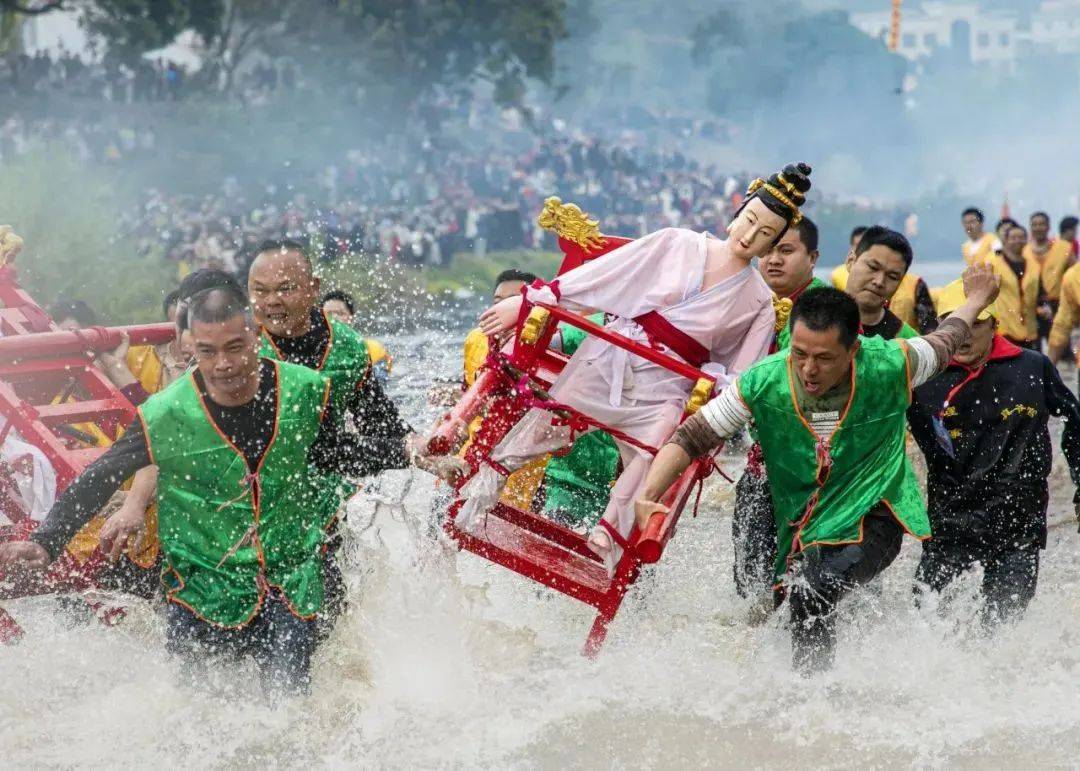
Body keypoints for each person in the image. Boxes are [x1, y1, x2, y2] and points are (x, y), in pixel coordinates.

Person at [0, 287, 449, 694]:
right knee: (199, 714)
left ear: (255, 337)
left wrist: (408, 453)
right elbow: (101, 474)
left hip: (288, 584)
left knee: (289, 707)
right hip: (200, 589)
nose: (224, 364)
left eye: (235, 347)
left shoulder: (303, 391)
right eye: (208, 351)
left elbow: (334, 453)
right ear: (188, 348)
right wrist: (47, 541)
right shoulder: (164, 413)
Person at [633, 266, 1000, 672]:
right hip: (804, 522)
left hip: (874, 513)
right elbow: (690, 438)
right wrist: (648, 496)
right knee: (776, 607)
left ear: (853, 349)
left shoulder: (891, 364)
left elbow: (944, 341)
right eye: (801, 354)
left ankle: (812, 700)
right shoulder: (762, 382)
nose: (808, 370)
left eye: (824, 359)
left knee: (813, 591)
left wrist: (976, 301)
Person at [464, 163, 811, 572]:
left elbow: (743, 378)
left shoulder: (757, 301)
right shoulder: (677, 243)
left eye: (766, 234)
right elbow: (606, 277)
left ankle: (610, 532)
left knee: (657, 446)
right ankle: (482, 489)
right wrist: (528, 302)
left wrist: (717, 391)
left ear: (772, 244)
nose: (751, 236)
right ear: (737, 214)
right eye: (750, 221)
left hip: (671, 383)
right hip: (618, 349)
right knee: (550, 418)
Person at [247, 240, 441, 635]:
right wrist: (405, 452)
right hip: (243, 520)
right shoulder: (242, 348)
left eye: (284, 288)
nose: (271, 302)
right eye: (259, 291)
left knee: (329, 637)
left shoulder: (348, 348)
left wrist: (423, 448)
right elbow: (310, 448)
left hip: (318, 518)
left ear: (313, 286)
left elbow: (378, 421)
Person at [908, 279, 1080, 627]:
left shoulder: (1032, 367)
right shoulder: (921, 379)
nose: (966, 334)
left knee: (1000, 631)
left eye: (977, 323)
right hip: (949, 524)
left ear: (995, 325)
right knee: (925, 625)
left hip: (1019, 526)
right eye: (957, 324)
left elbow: (1074, 421)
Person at [733, 216, 827, 596]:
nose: (773, 260)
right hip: (764, 461)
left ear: (813, 257)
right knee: (750, 589)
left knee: (816, 587)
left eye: (786, 250)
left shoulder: (827, 312)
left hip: (818, 470)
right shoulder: (749, 304)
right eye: (767, 250)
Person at [833, 226, 934, 333]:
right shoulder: (815, 316)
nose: (879, 282)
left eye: (892, 277)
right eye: (873, 267)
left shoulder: (907, 342)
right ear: (851, 261)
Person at [321, 289, 393, 383]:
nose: (334, 318)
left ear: (351, 318)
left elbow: (378, 385)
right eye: (329, 313)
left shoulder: (371, 350)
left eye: (340, 313)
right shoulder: (313, 349)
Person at [987, 223, 1040, 350]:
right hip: (1004, 327)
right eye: (1013, 237)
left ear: (1026, 240)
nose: (1017, 241)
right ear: (1005, 240)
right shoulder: (993, 263)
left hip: (1029, 327)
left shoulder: (1034, 265)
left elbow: (1039, 292)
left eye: (1021, 237)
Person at [1025, 211, 1074, 345]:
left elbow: (1074, 275)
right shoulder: (1024, 251)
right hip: (1031, 306)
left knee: (1061, 345)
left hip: (1058, 304)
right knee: (1034, 348)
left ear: (1048, 226)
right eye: (1034, 224)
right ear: (1030, 228)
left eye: (1041, 224)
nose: (1038, 227)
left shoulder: (1063, 247)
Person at [828, 226, 865, 291]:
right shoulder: (837, 275)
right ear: (851, 247)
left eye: (864, 245)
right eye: (858, 245)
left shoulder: (879, 276)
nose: (861, 249)